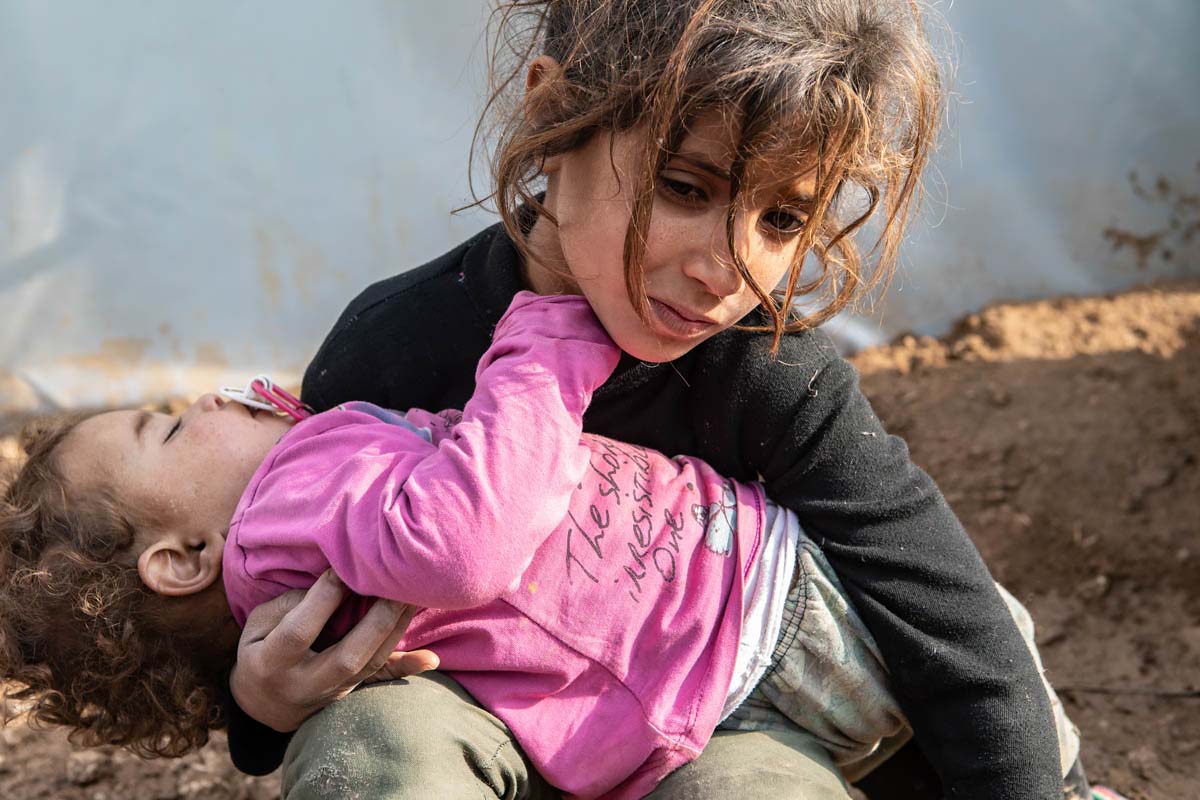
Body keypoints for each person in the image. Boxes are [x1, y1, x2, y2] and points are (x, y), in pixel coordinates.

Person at [214, 1, 1099, 798]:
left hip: (713, 737)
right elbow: (266, 574)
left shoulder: (768, 372)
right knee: (373, 740)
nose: (728, 267)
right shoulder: (393, 347)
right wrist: (258, 705)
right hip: (465, 717)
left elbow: (941, 609)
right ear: (554, 114)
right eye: (687, 188)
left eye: (783, 220)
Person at [0, 293, 1088, 800]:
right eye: (167, 427)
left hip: (715, 668)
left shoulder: (292, 489)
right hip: (758, 615)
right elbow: (465, 538)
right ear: (180, 559)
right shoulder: (297, 480)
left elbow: (922, 563)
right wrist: (542, 348)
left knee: (967, 676)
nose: (199, 400)